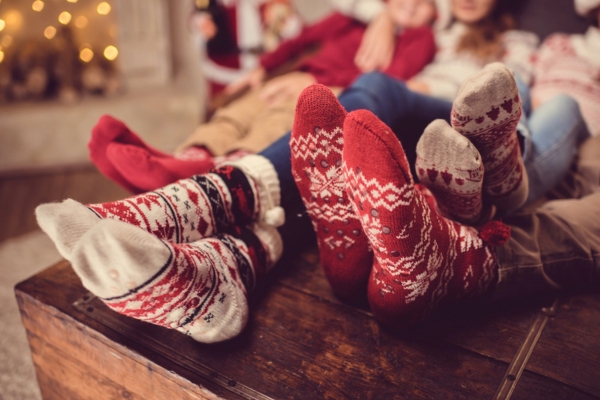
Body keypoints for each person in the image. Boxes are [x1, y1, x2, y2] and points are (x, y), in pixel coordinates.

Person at [35, 72, 600, 342]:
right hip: (400, 139)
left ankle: (201, 206)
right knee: (356, 135)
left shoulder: (528, 48)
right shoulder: (426, 30)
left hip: (459, 117)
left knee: (566, 103)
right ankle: (217, 277)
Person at [90, 0, 438, 193]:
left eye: (425, 2)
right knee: (240, 111)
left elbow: (387, 82)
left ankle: (226, 168)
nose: (412, 4)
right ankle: (188, 156)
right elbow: (298, 41)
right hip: (294, 78)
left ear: (438, 12)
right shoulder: (350, 21)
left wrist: (329, 88)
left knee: (276, 122)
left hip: (327, 95)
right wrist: (261, 69)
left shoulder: (420, 39)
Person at [530, 0, 600, 137]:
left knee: (563, 105)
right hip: (532, 117)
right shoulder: (557, 43)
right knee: (513, 82)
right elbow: (530, 84)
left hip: (579, 131)